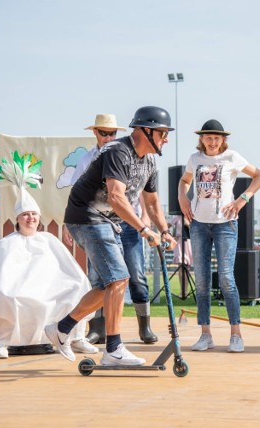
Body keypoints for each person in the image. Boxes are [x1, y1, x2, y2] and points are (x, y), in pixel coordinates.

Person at [45, 106, 177, 365]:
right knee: (119, 279)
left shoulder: (150, 161)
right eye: (162, 132)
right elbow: (116, 196)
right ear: (145, 131)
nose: (166, 138)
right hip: (86, 216)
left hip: (109, 222)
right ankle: (113, 349)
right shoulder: (118, 152)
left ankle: (61, 329)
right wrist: (144, 230)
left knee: (110, 284)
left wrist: (165, 230)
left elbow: (151, 203)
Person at [0, 153, 97, 359]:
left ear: (39, 218)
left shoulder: (48, 239)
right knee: (5, 296)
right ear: (18, 218)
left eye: (34, 214)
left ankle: (75, 337)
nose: (30, 218)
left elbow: (67, 270)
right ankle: (2, 342)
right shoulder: (7, 243)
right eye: (25, 215)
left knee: (77, 286)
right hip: (17, 289)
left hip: (48, 287)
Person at [62, 113, 159, 345]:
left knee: (133, 274)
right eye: (104, 132)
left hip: (129, 222)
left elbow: (148, 195)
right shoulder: (90, 158)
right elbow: (79, 192)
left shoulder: (133, 154)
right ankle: (99, 330)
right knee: (106, 278)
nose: (108, 136)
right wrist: (68, 222)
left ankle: (142, 327)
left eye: (113, 132)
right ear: (95, 133)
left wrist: (146, 222)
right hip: (98, 220)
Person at [178, 119, 260, 353]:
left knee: (227, 277)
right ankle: (205, 334)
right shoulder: (195, 159)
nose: (212, 140)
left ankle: (236, 334)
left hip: (225, 224)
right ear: (201, 139)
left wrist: (242, 200)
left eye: (217, 137)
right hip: (198, 224)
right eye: (208, 137)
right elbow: (184, 180)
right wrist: (182, 197)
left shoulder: (232, 157)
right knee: (203, 280)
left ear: (223, 140)